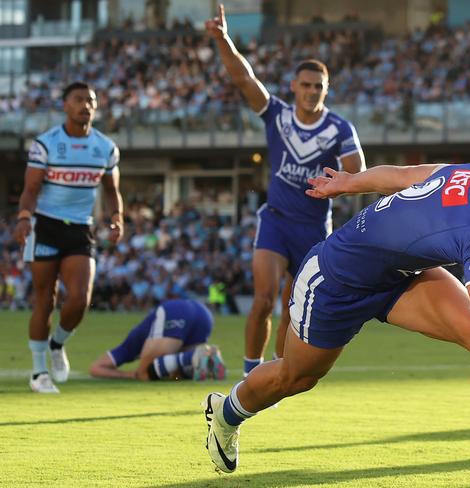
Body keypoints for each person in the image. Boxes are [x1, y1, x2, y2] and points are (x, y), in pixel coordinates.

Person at [201, 153, 470, 486]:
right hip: (335, 282)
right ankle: (226, 414)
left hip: (397, 276)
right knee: (296, 377)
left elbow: (406, 176)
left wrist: (351, 182)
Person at [205, 5, 366, 377]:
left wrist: (338, 185)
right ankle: (249, 372)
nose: (311, 92)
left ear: (327, 90)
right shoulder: (277, 115)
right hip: (275, 221)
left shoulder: (339, 129)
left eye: (318, 87)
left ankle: (276, 375)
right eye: (305, 85)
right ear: (293, 86)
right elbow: (244, 79)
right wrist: (223, 39)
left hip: (313, 228)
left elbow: (358, 169)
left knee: (292, 309)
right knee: (262, 300)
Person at [13, 81, 124, 394]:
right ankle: (38, 373)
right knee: (45, 300)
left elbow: (112, 191)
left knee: (79, 298)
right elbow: (31, 189)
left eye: (90, 100)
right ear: (65, 105)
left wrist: (117, 218)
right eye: (78, 100)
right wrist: (23, 218)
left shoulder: (105, 147)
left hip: (79, 227)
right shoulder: (46, 144)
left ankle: (57, 343)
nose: (85, 105)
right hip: (44, 225)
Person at [89, 299, 226, 381]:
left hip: (175, 312)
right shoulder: (139, 340)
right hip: (203, 313)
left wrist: (130, 375)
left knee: (144, 374)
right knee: (180, 374)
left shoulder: (128, 346)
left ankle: (193, 356)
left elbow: (95, 368)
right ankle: (209, 361)